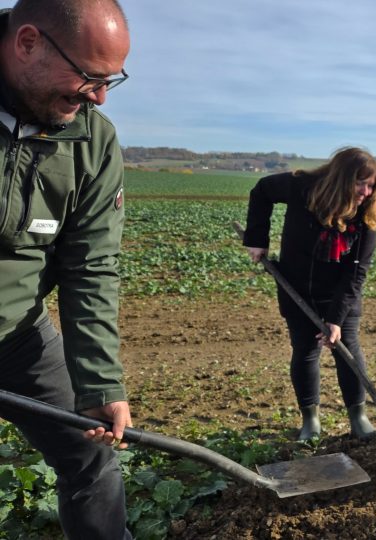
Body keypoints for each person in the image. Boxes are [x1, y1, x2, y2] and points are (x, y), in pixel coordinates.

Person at [0, 0, 133, 538]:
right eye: (88, 77)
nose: (99, 97)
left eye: (110, 81)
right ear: (27, 42)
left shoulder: (92, 141)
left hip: (18, 332)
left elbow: (91, 266)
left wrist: (99, 384)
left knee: (90, 452)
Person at [243, 147, 376, 441]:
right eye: (360, 182)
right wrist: (257, 239)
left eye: (371, 185)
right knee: (305, 351)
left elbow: (355, 274)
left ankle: (359, 418)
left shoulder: (365, 217)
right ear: (342, 178)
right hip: (297, 289)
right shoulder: (301, 187)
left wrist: (335, 319)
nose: (366, 191)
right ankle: (311, 422)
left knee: (348, 352)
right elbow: (261, 191)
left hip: (340, 296)